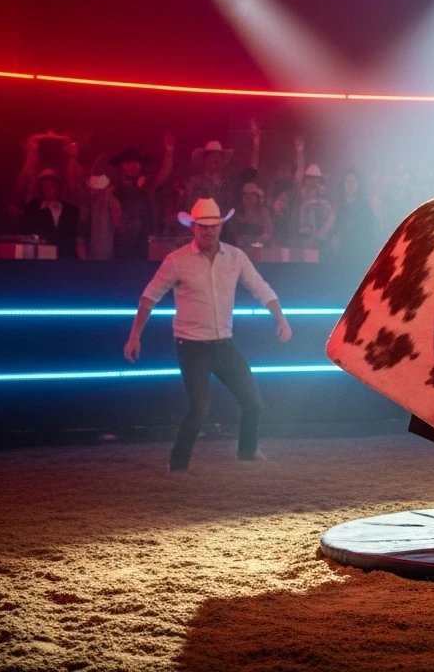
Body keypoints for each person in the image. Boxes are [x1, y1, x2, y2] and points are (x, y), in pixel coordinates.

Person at [124, 198, 292, 472]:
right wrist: (134, 336)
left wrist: (281, 318)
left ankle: (247, 451)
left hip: (223, 344)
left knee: (254, 402)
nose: (208, 231)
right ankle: (177, 466)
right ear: (193, 227)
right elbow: (149, 297)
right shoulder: (176, 261)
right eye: (203, 226)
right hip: (191, 346)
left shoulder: (236, 257)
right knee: (200, 407)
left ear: (220, 227)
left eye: (213, 226)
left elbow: (260, 287)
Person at [111, 136, 175, 260]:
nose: (133, 166)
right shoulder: (113, 190)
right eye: (128, 162)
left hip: (144, 247)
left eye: (136, 162)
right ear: (120, 166)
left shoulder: (146, 185)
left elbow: (164, 174)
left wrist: (169, 152)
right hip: (119, 248)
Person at [183, 118, 261, 214]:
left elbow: (252, 171)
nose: (215, 159)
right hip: (204, 226)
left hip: (228, 227)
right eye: (211, 156)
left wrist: (256, 144)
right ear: (205, 160)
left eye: (218, 156)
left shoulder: (231, 181)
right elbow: (185, 209)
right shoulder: (194, 183)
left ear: (222, 160)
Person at [20, 169, 81, 260]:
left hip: (65, 257)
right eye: (43, 186)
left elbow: (74, 235)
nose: (46, 189)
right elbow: (27, 231)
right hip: (40, 256)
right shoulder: (32, 208)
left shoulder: (71, 210)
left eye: (50, 186)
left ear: (56, 187)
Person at [331, 167, 378, 263]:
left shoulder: (365, 205)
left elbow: (369, 231)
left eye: (353, 181)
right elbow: (337, 228)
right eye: (346, 181)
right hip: (343, 254)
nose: (349, 184)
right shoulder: (341, 206)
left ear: (359, 184)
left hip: (360, 255)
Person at [83, 174, 121, 260]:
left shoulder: (112, 202)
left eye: (95, 190)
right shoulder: (89, 204)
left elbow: (117, 224)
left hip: (106, 254)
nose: (92, 193)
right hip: (91, 253)